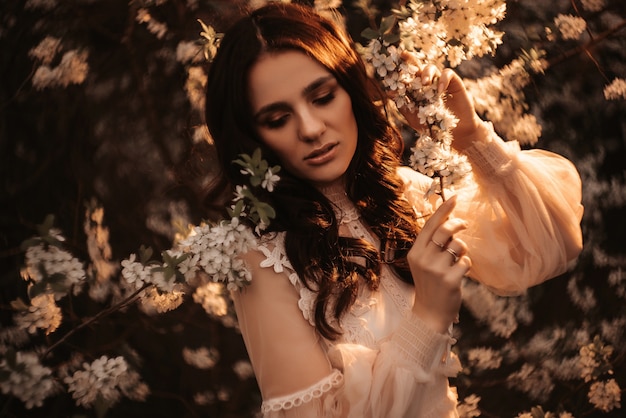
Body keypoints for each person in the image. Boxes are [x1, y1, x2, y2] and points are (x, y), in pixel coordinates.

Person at [203, 3, 583, 417]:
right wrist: (428, 318)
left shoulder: (403, 195)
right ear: (251, 137)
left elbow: (552, 248)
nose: (311, 128)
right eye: (278, 118)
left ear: (351, 91)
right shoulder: (262, 259)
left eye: (323, 97)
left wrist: (470, 136)